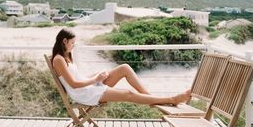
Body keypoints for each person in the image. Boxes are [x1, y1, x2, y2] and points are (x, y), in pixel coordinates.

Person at [52, 28, 191, 106]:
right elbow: (74, 84)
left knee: (124, 68)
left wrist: (95, 76)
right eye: (72, 42)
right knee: (127, 94)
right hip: (84, 94)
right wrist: (96, 80)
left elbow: (78, 78)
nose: (74, 45)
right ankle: (171, 99)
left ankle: (151, 99)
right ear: (64, 41)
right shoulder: (59, 59)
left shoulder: (66, 57)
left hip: (89, 87)